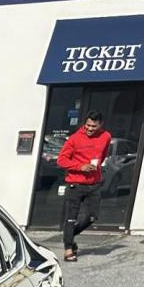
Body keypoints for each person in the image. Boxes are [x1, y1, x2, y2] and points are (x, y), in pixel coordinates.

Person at [55, 111, 112, 261]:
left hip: (94, 184)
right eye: (88, 125)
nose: (90, 128)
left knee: (92, 216)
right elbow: (61, 160)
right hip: (75, 184)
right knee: (70, 219)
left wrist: (96, 167)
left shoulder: (106, 136)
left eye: (94, 126)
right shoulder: (74, 139)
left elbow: (103, 155)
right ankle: (68, 249)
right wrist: (81, 167)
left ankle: (70, 235)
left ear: (100, 125)